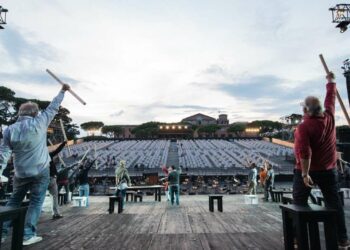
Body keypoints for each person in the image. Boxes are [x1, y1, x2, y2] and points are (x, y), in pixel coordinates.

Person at [0, 83, 70, 245]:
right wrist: (62, 91)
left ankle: (2, 232)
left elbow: (3, 153)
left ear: (20, 113)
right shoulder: (40, 121)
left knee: (14, 201)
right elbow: (53, 107)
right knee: (36, 202)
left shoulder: (9, 130)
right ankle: (28, 234)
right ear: (35, 113)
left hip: (20, 172)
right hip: (40, 170)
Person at [293, 72, 349, 247]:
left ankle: (297, 238)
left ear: (305, 110)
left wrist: (304, 174)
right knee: (335, 204)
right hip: (329, 170)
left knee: (299, 204)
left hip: (308, 171)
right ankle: (343, 239)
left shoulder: (303, 127)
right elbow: (330, 98)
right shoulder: (330, 117)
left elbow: (305, 153)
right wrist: (330, 81)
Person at [48, 141, 67, 219]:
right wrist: (63, 144)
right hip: (51, 178)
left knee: (39, 199)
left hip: (43, 178)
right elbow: (57, 151)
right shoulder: (48, 155)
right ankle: (56, 213)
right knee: (54, 197)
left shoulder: (37, 157)